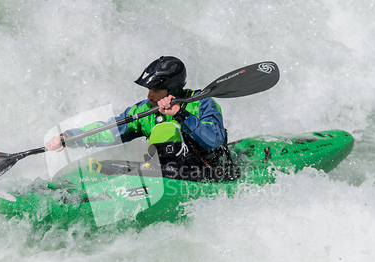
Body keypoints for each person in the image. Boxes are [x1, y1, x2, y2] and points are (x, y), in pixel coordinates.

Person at [45, 56, 237, 181]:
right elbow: (111, 129)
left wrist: (181, 114)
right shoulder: (145, 111)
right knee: (105, 166)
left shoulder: (202, 103)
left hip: (208, 172)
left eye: (155, 90)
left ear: (173, 89)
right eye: (148, 90)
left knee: (166, 130)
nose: (149, 96)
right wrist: (70, 137)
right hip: (167, 174)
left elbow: (214, 139)